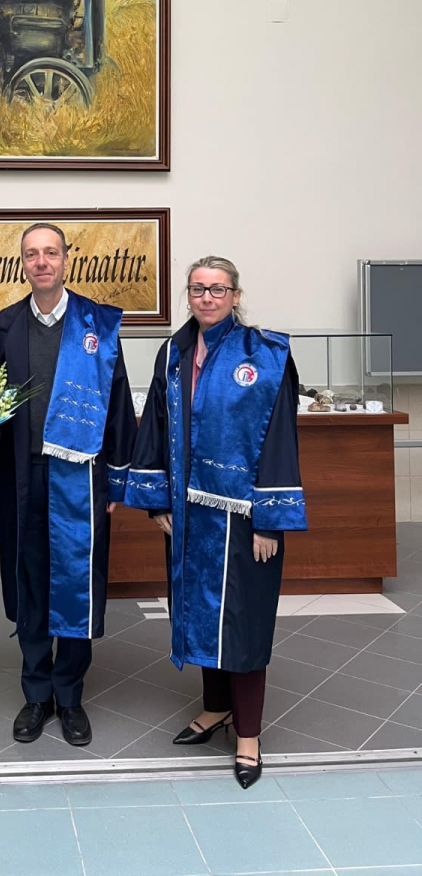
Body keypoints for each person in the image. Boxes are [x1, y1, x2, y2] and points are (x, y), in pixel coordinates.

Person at [125, 256, 307, 789]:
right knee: (199, 610)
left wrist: (269, 521)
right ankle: (216, 708)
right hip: (188, 513)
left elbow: (280, 436)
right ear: (188, 295)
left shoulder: (266, 354)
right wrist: (158, 500)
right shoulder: (173, 352)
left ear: (235, 295)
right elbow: (155, 424)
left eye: (218, 289)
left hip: (244, 516)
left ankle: (248, 734)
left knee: (243, 622)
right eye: (198, 288)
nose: (207, 297)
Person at [0, 223, 138, 746]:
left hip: (81, 477)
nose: (42, 262)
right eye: (32, 254)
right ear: (23, 264)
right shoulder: (4, 326)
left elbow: (118, 403)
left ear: (66, 259)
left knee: (76, 582)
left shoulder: (96, 324)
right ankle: (36, 694)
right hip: (21, 476)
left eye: (50, 252)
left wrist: (116, 482)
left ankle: (70, 695)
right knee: (29, 581)